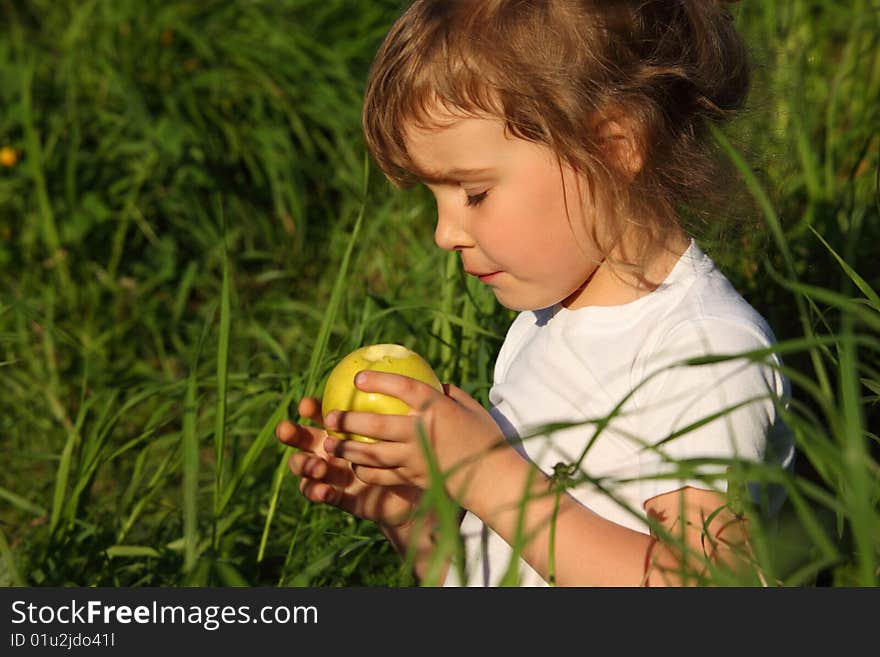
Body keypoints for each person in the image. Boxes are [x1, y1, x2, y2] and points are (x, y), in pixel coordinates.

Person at [275, 0, 795, 587]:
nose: (443, 234)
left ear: (614, 148)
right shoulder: (543, 325)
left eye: (473, 193)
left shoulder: (705, 352)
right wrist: (410, 512)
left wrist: (488, 476)